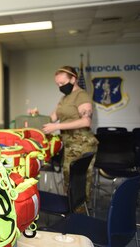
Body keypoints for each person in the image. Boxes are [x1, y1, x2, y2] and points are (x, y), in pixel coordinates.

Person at [42, 66, 98, 202]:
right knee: (68, 180)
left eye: (62, 83)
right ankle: (71, 212)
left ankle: (80, 215)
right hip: (69, 144)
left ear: (73, 79)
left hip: (82, 144)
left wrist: (57, 126)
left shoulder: (81, 95)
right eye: (58, 84)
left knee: (79, 184)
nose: (60, 87)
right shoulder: (64, 98)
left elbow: (86, 121)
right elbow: (52, 118)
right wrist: (35, 116)